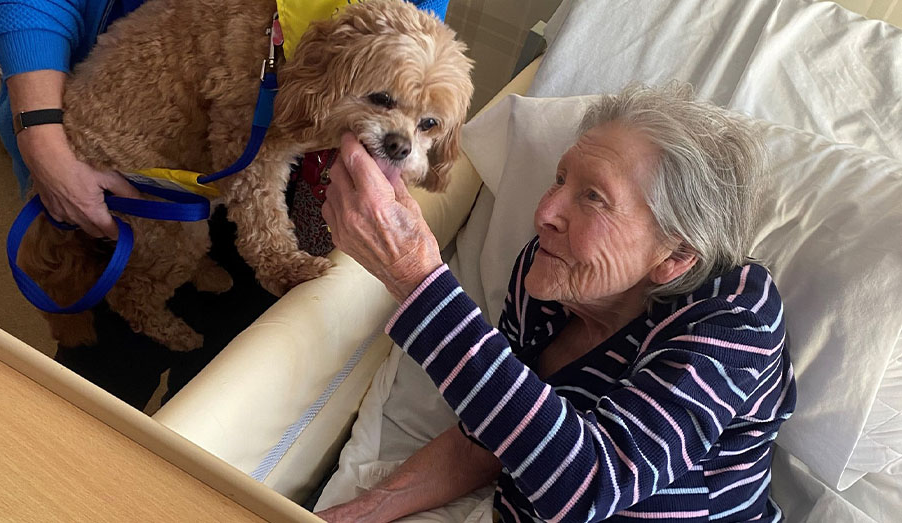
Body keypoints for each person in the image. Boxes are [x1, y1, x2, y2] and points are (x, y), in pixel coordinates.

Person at [317, 83, 797, 522]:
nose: (545, 213)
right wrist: (356, 514)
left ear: (675, 255)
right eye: (560, 179)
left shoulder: (734, 321)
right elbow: (495, 434)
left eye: (592, 197)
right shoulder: (548, 275)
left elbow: (587, 484)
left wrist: (415, 278)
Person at [0, 0, 451, 409]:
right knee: (106, 374)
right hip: (124, 160)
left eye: (426, 123)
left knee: (223, 376)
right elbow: (247, 153)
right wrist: (42, 139)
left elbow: (412, 40)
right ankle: (140, 304)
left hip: (254, 163)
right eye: (385, 100)